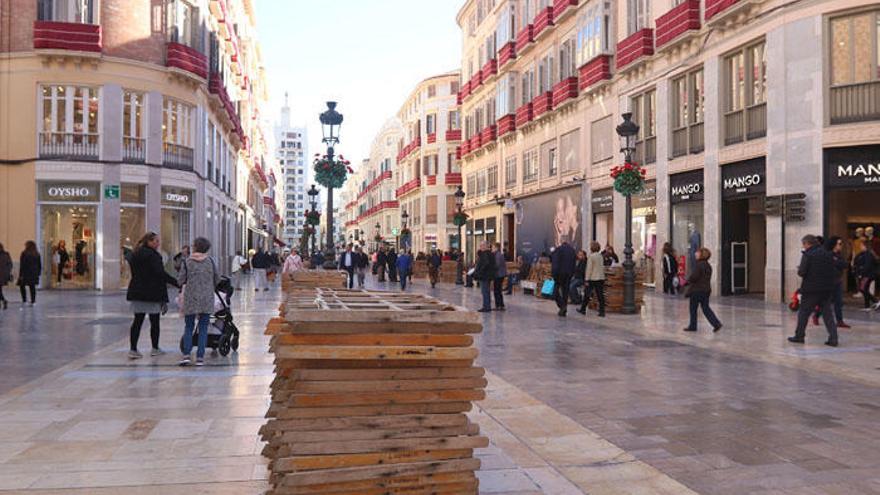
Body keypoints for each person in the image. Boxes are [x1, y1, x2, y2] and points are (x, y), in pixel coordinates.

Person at [126, 232, 180, 359]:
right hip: (152, 292)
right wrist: (176, 283)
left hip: (137, 291)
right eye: (156, 241)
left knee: (137, 321)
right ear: (149, 242)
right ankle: (155, 348)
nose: (158, 243)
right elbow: (160, 273)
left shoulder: (135, 254)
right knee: (154, 321)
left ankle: (133, 349)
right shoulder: (154, 256)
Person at [788, 235, 838, 347]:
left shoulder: (808, 255)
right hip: (826, 289)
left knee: (804, 313)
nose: (803, 247)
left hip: (811, 290)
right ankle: (833, 338)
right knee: (828, 314)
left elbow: (802, 272)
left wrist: (800, 269)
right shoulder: (828, 254)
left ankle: (799, 336)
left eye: (803, 244)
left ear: (807, 243)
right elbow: (833, 271)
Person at [177, 237, 220, 366]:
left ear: (195, 247)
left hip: (190, 298)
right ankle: (200, 358)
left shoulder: (187, 262)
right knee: (203, 328)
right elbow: (217, 279)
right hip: (206, 298)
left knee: (189, 327)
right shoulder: (211, 261)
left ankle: (186, 356)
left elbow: (180, 280)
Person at [682, 247, 722, 332]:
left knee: (693, 309)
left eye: (697, 252)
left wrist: (686, 282)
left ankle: (693, 325)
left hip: (697, 290)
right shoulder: (708, 265)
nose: (695, 254)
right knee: (706, 308)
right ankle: (716, 323)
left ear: (701, 254)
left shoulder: (699, 265)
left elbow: (694, 277)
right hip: (706, 290)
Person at [815, 237, 850, 328]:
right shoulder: (828, 254)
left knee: (838, 302)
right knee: (826, 302)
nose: (841, 245)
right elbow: (836, 264)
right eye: (839, 243)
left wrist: (837, 262)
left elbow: (845, 265)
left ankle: (840, 321)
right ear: (834, 245)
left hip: (838, 281)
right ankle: (816, 315)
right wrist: (838, 263)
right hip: (829, 282)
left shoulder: (839, 255)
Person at [578, 242, 606, 317]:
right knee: (600, 295)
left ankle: (583, 309)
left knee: (587, 294)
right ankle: (602, 311)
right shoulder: (600, 256)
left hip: (593, 278)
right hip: (600, 277)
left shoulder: (591, 256)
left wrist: (586, 279)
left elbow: (589, 269)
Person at [550, 239, 576, 317]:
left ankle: (562, 306)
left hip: (559, 274)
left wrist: (554, 275)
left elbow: (555, 263)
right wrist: (571, 274)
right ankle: (563, 309)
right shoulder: (572, 251)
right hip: (568, 274)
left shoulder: (558, 250)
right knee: (565, 292)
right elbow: (574, 264)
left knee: (555, 292)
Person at [473, 241, 496, 312]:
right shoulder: (491, 254)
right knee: (486, 291)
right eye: (480, 245)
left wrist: (479, 272)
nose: (480, 247)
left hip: (484, 276)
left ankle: (486, 307)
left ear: (485, 246)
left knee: (485, 291)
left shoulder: (485, 254)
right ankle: (487, 306)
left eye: (481, 245)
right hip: (488, 275)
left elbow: (485, 264)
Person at [853, 242, 877, 309]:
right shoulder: (863, 254)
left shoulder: (868, 254)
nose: (860, 247)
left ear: (865, 246)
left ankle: (875, 301)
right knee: (865, 289)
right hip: (866, 274)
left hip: (867, 275)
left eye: (861, 245)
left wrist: (861, 273)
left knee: (862, 289)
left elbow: (867, 266)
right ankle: (867, 306)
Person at [18, 241, 41, 307]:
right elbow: (39, 264)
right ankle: (33, 301)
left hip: (26, 273)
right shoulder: (37, 254)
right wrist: (38, 273)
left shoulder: (24, 253)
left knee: (22, 286)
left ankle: (24, 300)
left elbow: (22, 265)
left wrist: (21, 274)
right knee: (32, 287)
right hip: (34, 273)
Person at [492, 243, 507, 310]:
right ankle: (501, 305)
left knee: (496, 290)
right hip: (501, 274)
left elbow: (497, 265)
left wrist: (491, 267)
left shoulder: (497, 255)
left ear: (496, 248)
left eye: (493, 247)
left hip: (498, 275)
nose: (492, 248)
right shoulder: (499, 254)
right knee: (499, 290)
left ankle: (498, 305)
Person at [0, 243, 12, 310]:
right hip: (3, 276)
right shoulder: (6, 254)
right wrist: (7, 273)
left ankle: (4, 301)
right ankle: (4, 301)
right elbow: (10, 264)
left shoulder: (5, 254)